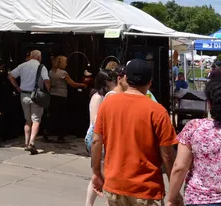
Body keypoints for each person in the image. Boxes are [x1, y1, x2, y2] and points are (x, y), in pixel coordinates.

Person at [91, 59, 179, 206]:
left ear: (125, 79)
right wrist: (174, 191)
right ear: (150, 83)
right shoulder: (157, 111)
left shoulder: (108, 104)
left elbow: (96, 141)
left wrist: (96, 172)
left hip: (115, 185)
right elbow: (168, 155)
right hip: (146, 189)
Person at [167, 77, 221, 206]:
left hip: (199, 199)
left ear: (210, 103)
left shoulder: (194, 127)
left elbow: (180, 168)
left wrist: (172, 198)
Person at [7, 50, 51, 154]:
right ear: (39, 57)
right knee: (36, 120)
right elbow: (46, 81)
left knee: (27, 120)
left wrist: (17, 87)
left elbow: (10, 75)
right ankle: (31, 143)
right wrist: (48, 91)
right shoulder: (41, 67)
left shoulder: (22, 65)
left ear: (30, 56)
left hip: (24, 95)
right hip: (36, 96)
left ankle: (26, 143)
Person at [85, 70, 115, 206]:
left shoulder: (107, 97)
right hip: (99, 139)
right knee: (103, 176)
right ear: (106, 82)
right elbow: (95, 121)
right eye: (112, 79)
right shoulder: (98, 97)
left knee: (102, 176)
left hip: (103, 139)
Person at [49, 55, 87, 143]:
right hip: (62, 95)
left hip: (53, 94)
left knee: (54, 114)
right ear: (61, 63)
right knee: (62, 116)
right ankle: (60, 136)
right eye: (65, 62)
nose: (66, 64)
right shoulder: (63, 73)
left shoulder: (51, 72)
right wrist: (83, 85)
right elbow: (72, 84)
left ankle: (48, 131)